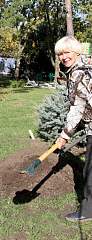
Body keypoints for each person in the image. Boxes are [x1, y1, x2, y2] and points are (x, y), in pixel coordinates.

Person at [55, 36, 92, 222]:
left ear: (77, 52)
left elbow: (78, 107)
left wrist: (65, 134)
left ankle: (87, 210)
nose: (64, 56)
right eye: (60, 54)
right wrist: (67, 134)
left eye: (67, 52)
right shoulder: (86, 66)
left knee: (90, 170)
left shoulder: (80, 73)